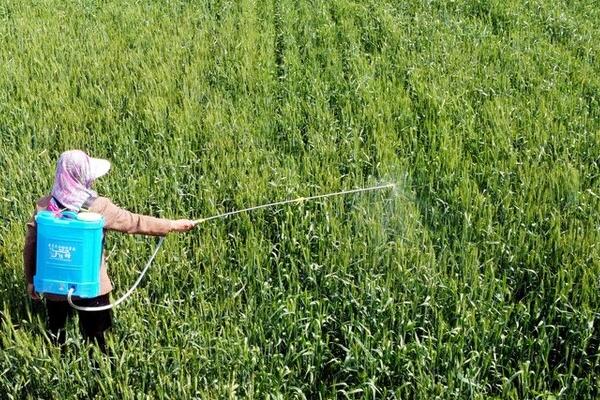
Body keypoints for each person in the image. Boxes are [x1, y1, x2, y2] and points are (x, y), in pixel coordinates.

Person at [23, 150, 195, 353]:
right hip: (92, 287)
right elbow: (135, 222)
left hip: (54, 287)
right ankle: (100, 373)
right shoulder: (98, 207)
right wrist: (172, 225)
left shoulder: (44, 207)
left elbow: (30, 246)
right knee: (99, 340)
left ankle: (60, 364)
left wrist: (31, 280)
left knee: (56, 335)